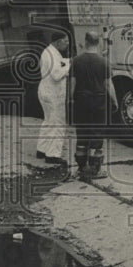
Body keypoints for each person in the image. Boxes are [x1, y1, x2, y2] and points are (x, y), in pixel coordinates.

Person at [70, 30, 117, 178]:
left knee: (82, 136)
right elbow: (109, 85)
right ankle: (95, 170)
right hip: (99, 103)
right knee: (97, 136)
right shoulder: (104, 62)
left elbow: (72, 83)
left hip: (81, 102)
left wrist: (70, 99)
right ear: (99, 43)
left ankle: (82, 169)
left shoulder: (76, 61)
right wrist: (115, 100)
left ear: (85, 42)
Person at [36, 33, 71, 165]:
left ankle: (41, 149)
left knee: (48, 121)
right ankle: (52, 155)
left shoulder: (48, 51)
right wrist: (69, 66)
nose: (67, 43)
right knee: (58, 124)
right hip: (54, 94)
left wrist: (68, 61)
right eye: (65, 41)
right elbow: (57, 75)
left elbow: (58, 63)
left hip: (44, 91)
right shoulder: (53, 54)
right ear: (58, 42)